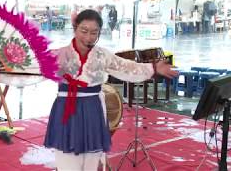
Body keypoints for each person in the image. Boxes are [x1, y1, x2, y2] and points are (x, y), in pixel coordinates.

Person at [44, 9, 177, 170]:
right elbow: (30, 68)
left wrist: (154, 68)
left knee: (91, 164)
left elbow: (127, 67)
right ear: (75, 28)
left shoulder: (102, 55)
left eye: (94, 32)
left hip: (93, 109)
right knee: (67, 163)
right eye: (83, 31)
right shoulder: (58, 55)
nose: (88, 37)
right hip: (66, 110)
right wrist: (7, 67)